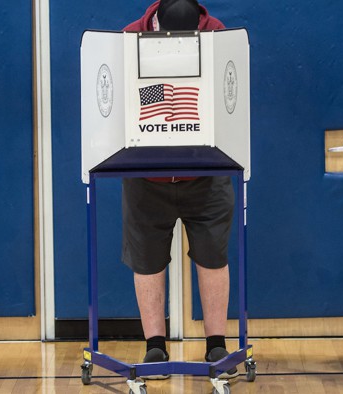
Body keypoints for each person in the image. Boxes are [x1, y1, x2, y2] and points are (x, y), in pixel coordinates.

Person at [121, 0, 238, 380]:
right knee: (146, 258)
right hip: (147, 174)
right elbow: (132, 100)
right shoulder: (131, 37)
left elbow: (227, 99)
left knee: (212, 255)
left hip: (205, 173)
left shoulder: (219, 35)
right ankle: (155, 346)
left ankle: (216, 343)